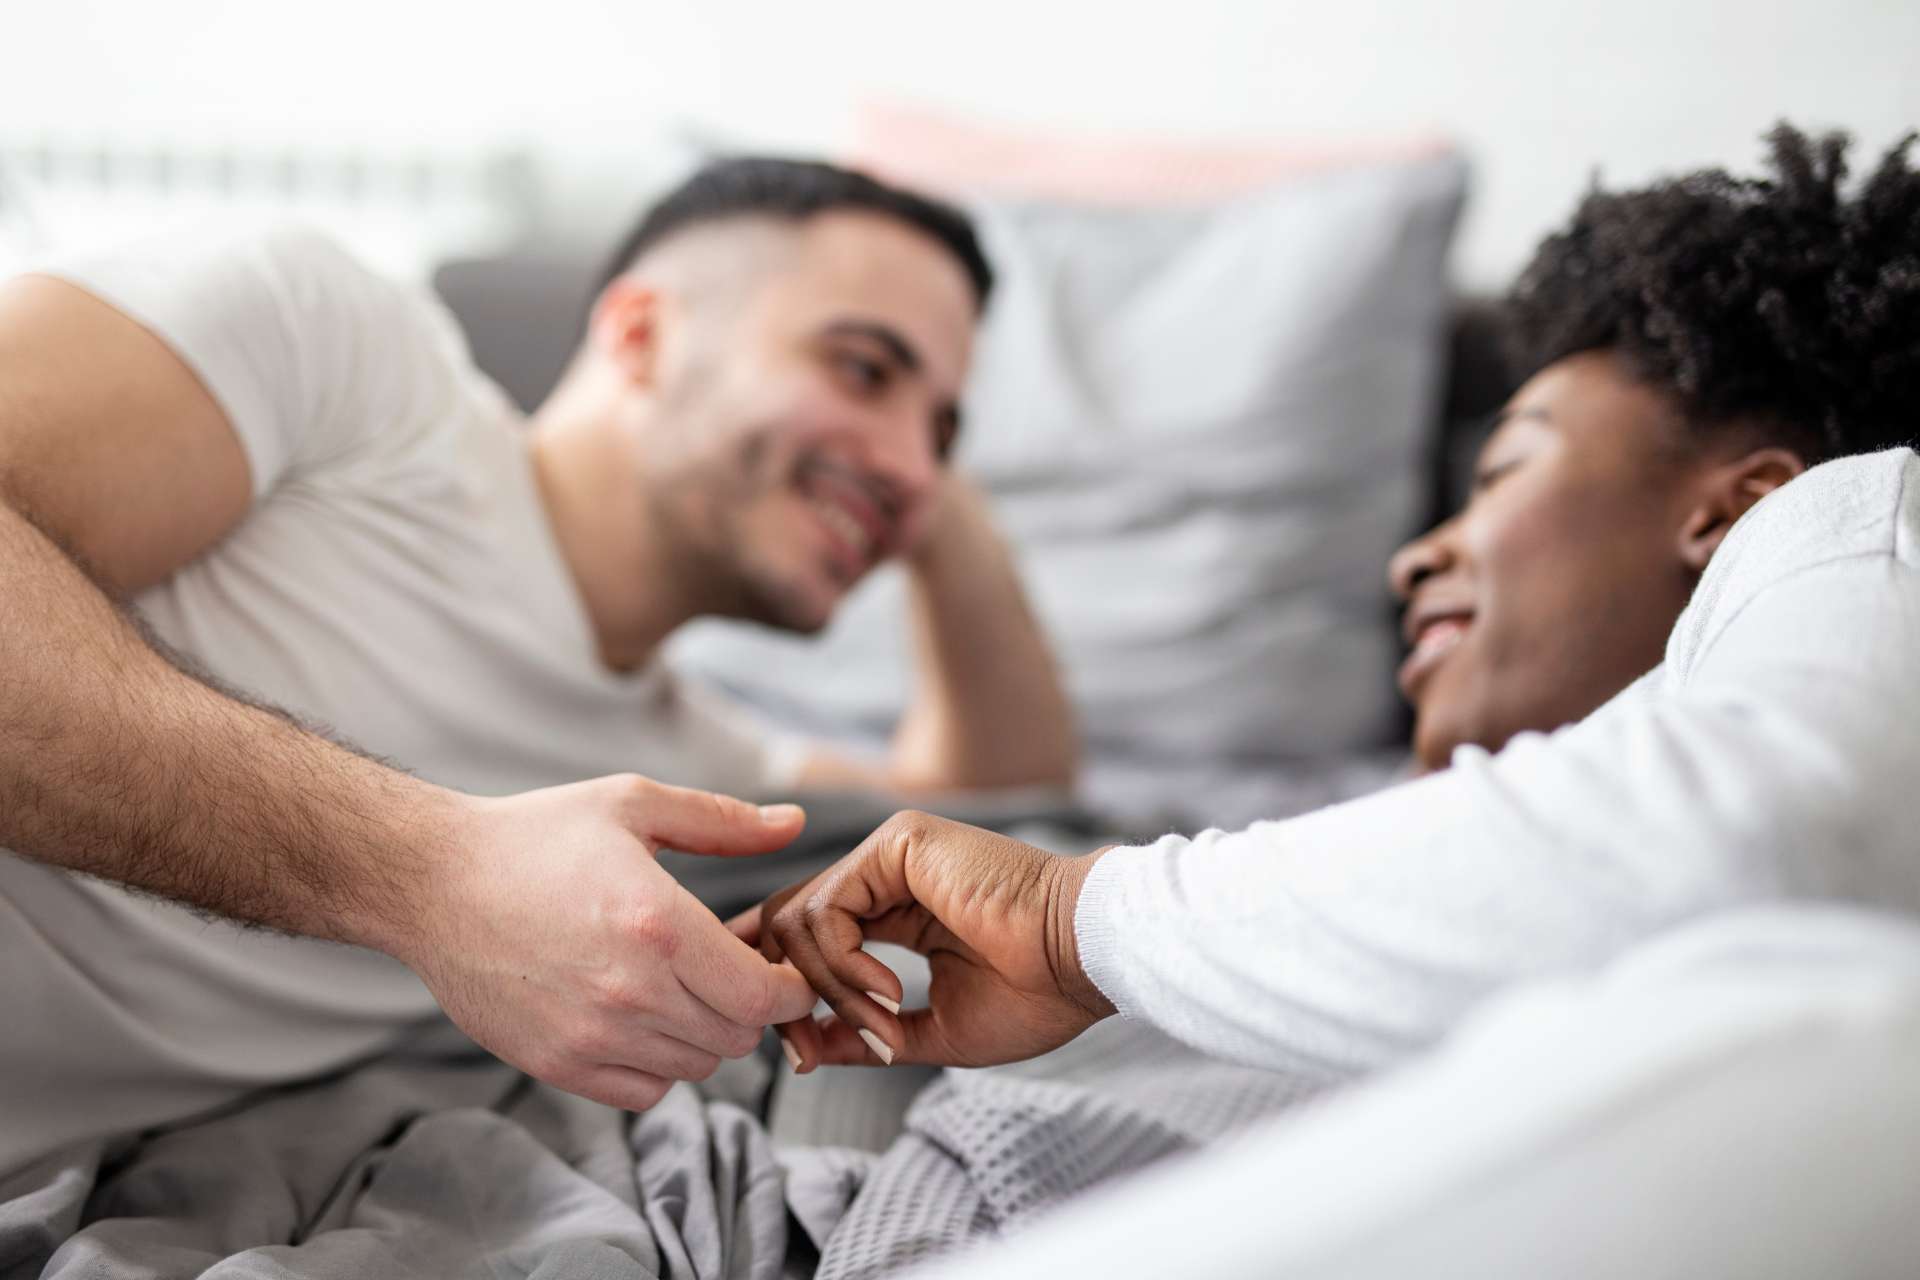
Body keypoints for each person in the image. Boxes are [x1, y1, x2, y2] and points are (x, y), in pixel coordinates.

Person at [739, 122, 1920, 1079]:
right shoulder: (1354, 883)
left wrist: (1071, 923)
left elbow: (1762, 840)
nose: (1411, 561)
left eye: (1500, 473)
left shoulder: (1873, 519)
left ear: (1744, 508)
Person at [0, 157, 1074, 1173]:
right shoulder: (337, 347)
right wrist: (427, 872)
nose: (907, 459)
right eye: (863, 367)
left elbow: (989, 813)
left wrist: (934, 502)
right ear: (642, 333)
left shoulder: (686, 759)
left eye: (942, 428)